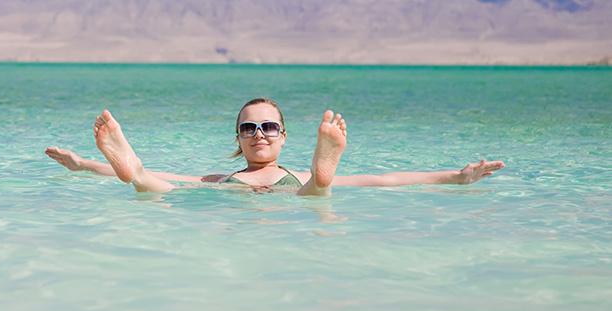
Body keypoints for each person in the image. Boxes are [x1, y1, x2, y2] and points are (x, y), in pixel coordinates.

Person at [45, 98, 505, 195]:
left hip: (299, 188)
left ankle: (326, 170)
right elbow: (176, 175)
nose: (259, 133)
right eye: (249, 128)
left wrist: (456, 176)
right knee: (156, 183)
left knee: (320, 190)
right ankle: (133, 167)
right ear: (239, 139)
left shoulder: (300, 174)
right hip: (230, 196)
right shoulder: (219, 178)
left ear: (283, 136)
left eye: (269, 127)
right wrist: (83, 165)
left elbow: (387, 179)